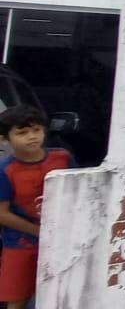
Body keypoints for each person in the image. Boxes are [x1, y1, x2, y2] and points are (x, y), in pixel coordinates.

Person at [0, 106, 76, 308]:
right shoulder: (6, 170)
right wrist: (39, 231)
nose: (31, 137)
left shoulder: (62, 158)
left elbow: (80, 193)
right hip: (21, 243)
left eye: (36, 130)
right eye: (22, 133)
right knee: (17, 298)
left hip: (63, 239)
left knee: (65, 292)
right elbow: (2, 214)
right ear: (4, 138)